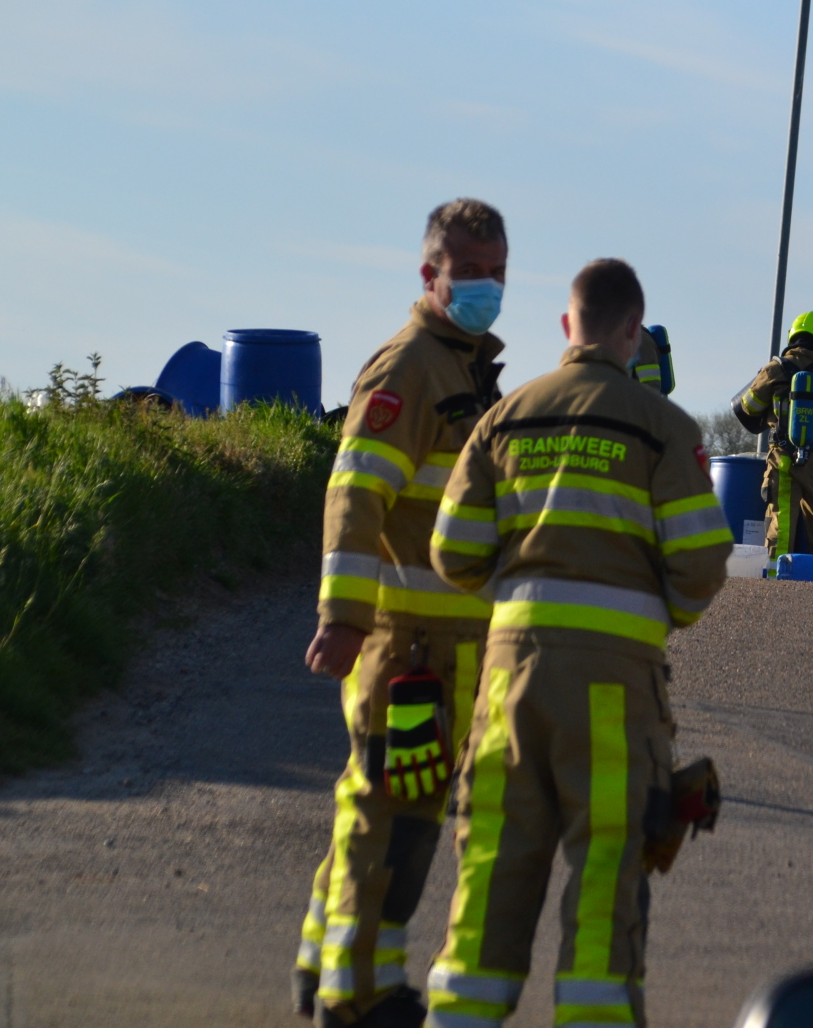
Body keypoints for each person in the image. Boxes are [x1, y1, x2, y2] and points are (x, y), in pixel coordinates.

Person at [424, 258, 732, 1028]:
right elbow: (701, 562)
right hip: (613, 689)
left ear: (567, 325)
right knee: (606, 865)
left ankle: (458, 1014)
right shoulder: (663, 428)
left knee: (493, 859)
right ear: (633, 331)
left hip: (509, 683)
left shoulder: (506, 417)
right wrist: (661, 614)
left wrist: (516, 602)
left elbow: (453, 550)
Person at [293, 199, 509, 1028]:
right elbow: (355, 496)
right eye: (470, 272)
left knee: (384, 812)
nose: (486, 286)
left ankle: (324, 966)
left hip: (446, 643)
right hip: (408, 646)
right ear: (430, 274)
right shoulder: (409, 369)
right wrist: (345, 617)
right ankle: (359, 994)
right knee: (393, 822)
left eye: (497, 272)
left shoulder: (464, 368)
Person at [731, 312, 813, 557]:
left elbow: (749, 408)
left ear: (792, 336)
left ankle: (777, 572)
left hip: (781, 456)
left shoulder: (774, 369)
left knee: (781, 516)